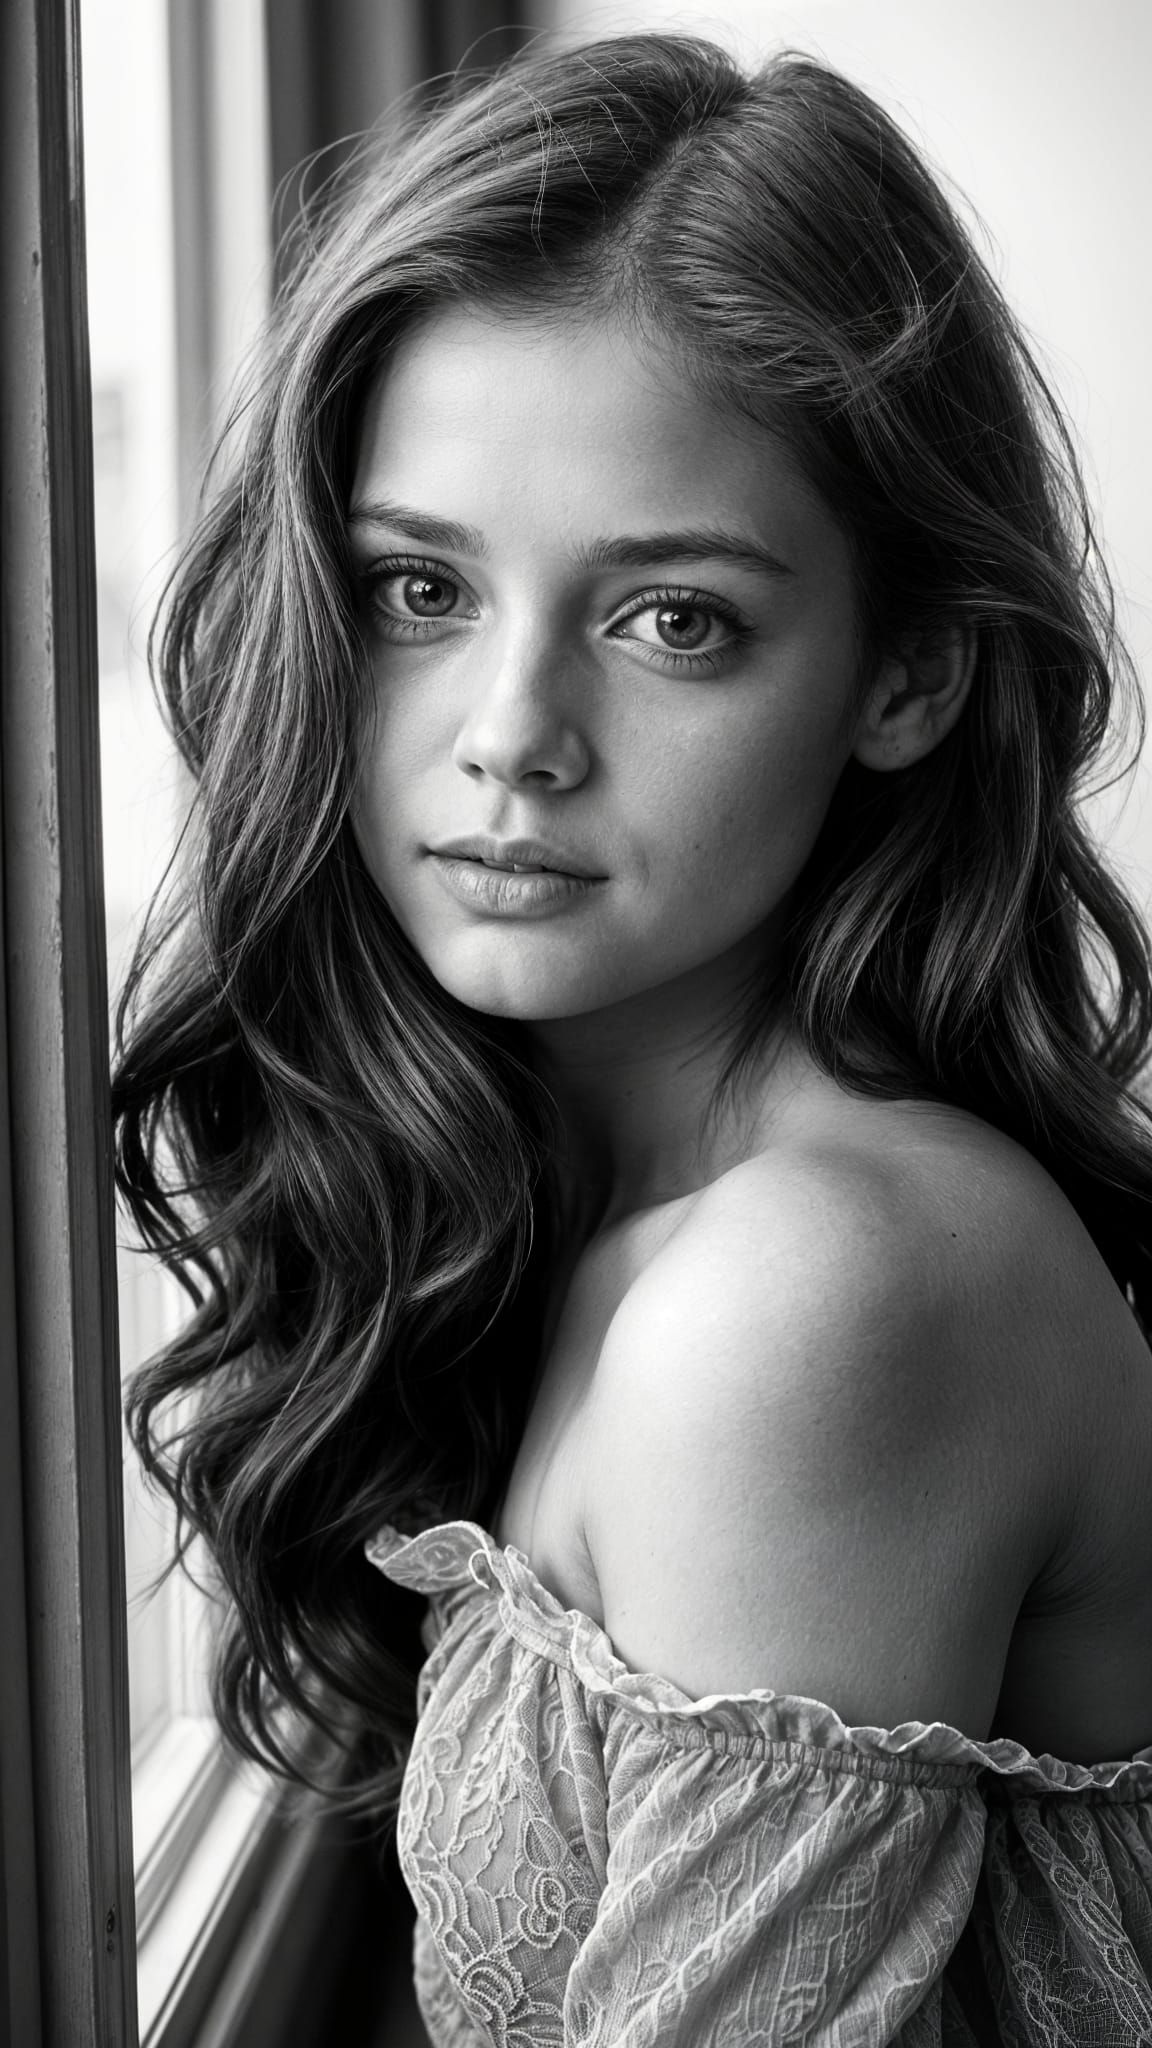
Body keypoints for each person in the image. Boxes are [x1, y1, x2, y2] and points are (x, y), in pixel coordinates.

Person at [113, 29, 1152, 2044]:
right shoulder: (625, 1204)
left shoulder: (815, 1286)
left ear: (910, 672)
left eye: (672, 617)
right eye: (418, 588)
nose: (512, 732)